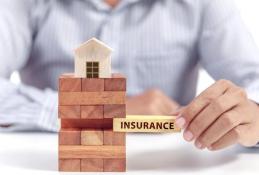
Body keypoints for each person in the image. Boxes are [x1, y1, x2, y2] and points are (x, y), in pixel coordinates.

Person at [0, 0, 259, 151]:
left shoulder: (204, 4)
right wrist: (95, 109)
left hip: (170, 163)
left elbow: (253, 79)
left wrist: (254, 112)